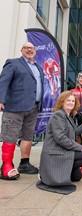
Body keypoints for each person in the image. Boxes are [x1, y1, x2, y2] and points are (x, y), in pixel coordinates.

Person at [0, 42, 44, 180]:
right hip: (15, 106)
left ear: (35, 51)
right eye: (26, 48)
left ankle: (24, 164)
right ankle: (6, 165)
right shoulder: (13, 63)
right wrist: (1, 99)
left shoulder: (38, 67)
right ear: (21, 50)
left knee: (27, 136)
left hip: (33, 107)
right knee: (10, 135)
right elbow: (3, 82)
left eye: (32, 48)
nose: (29, 50)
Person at [37, 91, 82, 194]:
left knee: (77, 177)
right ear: (62, 102)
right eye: (68, 100)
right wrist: (80, 147)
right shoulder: (58, 115)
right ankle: (53, 172)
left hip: (63, 150)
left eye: (73, 101)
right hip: (55, 152)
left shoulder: (67, 116)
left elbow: (72, 132)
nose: (71, 103)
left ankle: (67, 169)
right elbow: (60, 138)